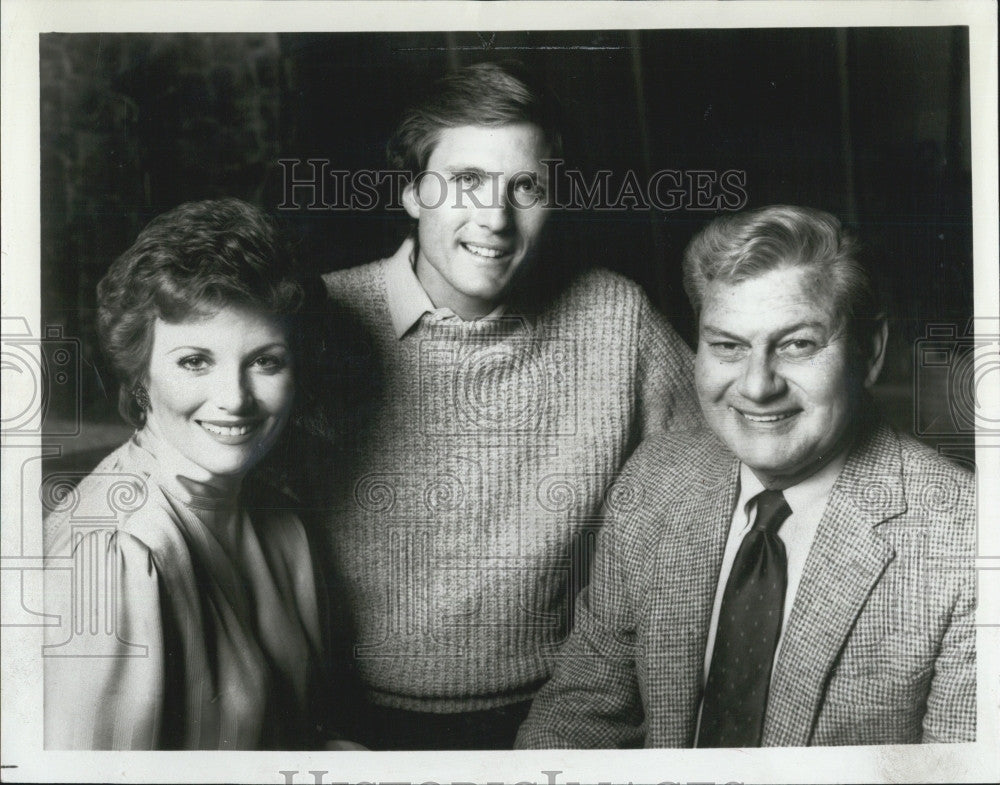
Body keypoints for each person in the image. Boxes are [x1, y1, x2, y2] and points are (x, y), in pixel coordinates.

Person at [314, 61, 700, 749]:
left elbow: (723, 468)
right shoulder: (324, 319)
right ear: (411, 190)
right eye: (466, 182)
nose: (495, 217)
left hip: (560, 714)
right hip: (345, 721)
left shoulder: (614, 318)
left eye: (525, 186)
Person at [515, 204, 976, 748]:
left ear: (868, 353)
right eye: (728, 346)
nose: (757, 387)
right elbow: (581, 708)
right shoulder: (655, 478)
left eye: (797, 344)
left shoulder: (969, 539)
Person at [43, 198, 338, 749]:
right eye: (194, 361)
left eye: (265, 360)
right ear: (140, 375)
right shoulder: (115, 557)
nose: (234, 399)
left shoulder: (279, 519)